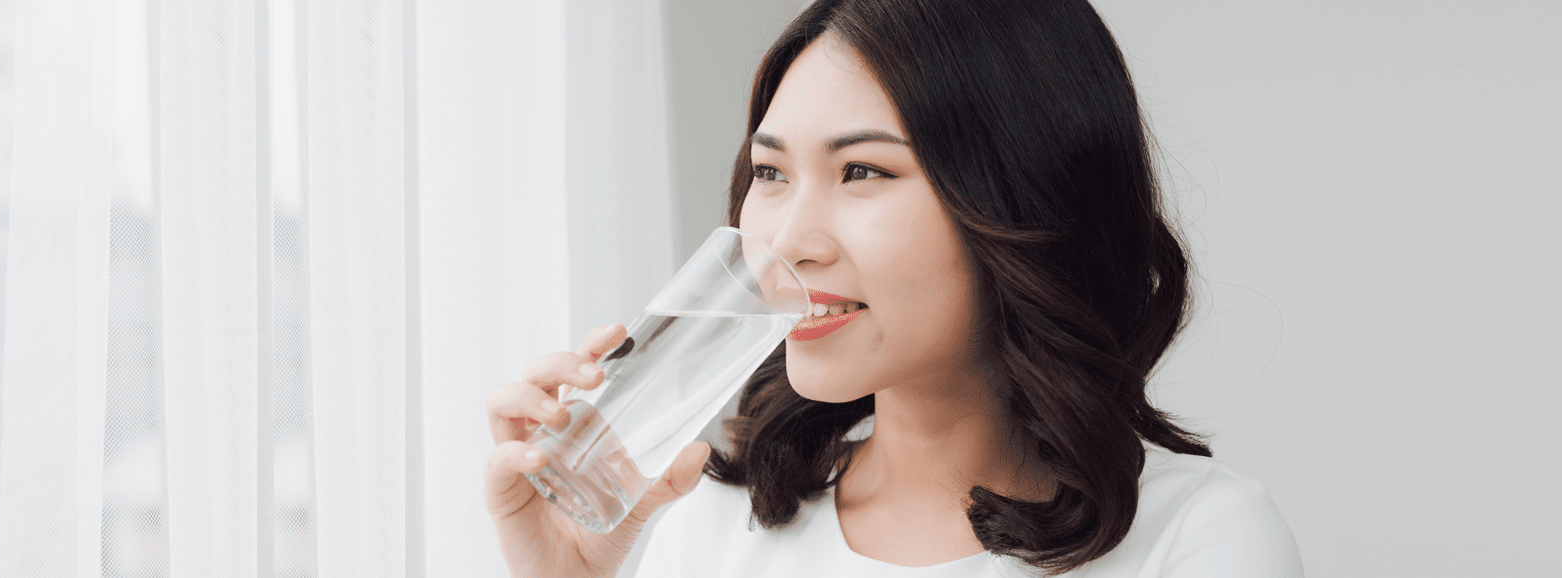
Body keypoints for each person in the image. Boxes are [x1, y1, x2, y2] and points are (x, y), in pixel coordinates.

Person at [484, 0, 1304, 575]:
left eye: (863, 170)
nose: (788, 241)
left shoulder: (1196, 539)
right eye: (769, 171)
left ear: (1019, 197)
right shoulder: (711, 529)